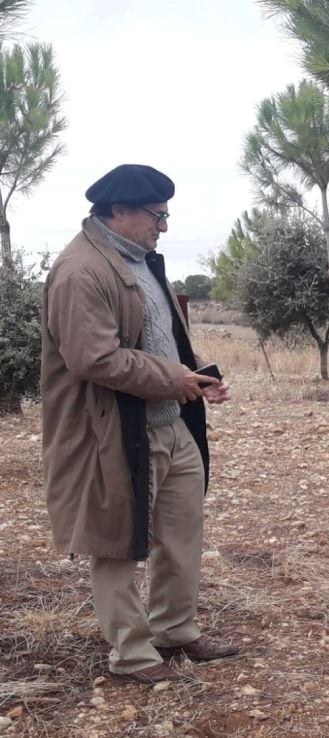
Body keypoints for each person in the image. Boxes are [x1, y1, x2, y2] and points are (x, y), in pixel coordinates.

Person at [40, 164, 239, 685]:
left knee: (181, 534)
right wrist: (173, 378)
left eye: (166, 215)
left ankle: (174, 629)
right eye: (156, 215)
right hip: (110, 433)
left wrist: (196, 379)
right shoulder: (81, 270)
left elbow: (161, 339)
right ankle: (131, 654)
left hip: (169, 423)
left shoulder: (142, 261)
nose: (164, 226)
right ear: (119, 212)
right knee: (117, 540)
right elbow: (92, 359)